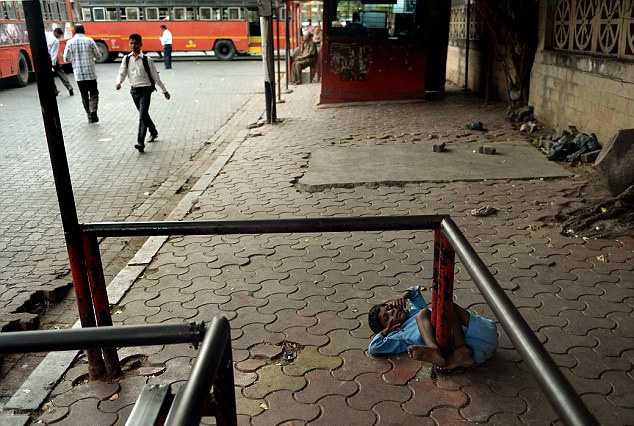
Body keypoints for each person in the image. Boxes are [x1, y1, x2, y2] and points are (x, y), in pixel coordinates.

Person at [367, 286, 497, 370]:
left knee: (443, 305)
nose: (392, 312)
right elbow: (373, 348)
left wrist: (403, 296)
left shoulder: (415, 310)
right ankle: (439, 350)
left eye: (389, 308)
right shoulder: (399, 335)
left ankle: (452, 350)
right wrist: (385, 332)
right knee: (426, 313)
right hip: (475, 353)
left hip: (479, 329)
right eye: (386, 318)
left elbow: (414, 292)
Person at [116, 33, 171, 153]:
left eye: (136, 43)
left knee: (142, 116)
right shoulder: (126, 59)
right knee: (144, 114)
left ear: (141, 44)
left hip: (146, 90)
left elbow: (156, 77)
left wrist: (164, 91)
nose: (133, 45)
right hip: (134, 91)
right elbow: (122, 72)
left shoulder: (147, 60)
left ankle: (140, 142)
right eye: (131, 43)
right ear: (129, 44)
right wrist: (119, 82)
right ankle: (153, 131)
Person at [64, 24, 100, 123]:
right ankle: (93, 111)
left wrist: (75, 59)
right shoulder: (90, 40)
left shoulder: (70, 42)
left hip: (78, 74)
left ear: (74, 31)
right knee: (94, 92)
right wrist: (92, 57)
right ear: (84, 30)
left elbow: (66, 58)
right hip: (90, 73)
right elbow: (98, 55)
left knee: (84, 94)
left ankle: (89, 114)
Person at [46, 28, 73, 97]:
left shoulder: (47, 34)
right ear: (56, 33)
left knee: (49, 76)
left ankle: (54, 90)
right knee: (60, 72)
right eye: (59, 35)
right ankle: (69, 87)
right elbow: (54, 54)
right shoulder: (56, 41)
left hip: (45, 57)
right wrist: (53, 64)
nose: (59, 37)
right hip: (51, 58)